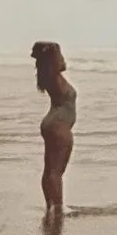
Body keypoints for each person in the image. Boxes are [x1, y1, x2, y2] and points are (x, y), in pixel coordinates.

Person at [31, 39, 76, 221]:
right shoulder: (55, 75)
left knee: (50, 170)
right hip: (59, 124)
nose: (63, 58)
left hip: (52, 121)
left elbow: (60, 64)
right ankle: (57, 208)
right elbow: (62, 64)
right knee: (56, 172)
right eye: (59, 55)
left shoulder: (48, 75)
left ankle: (51, 206)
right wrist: (52, 50)